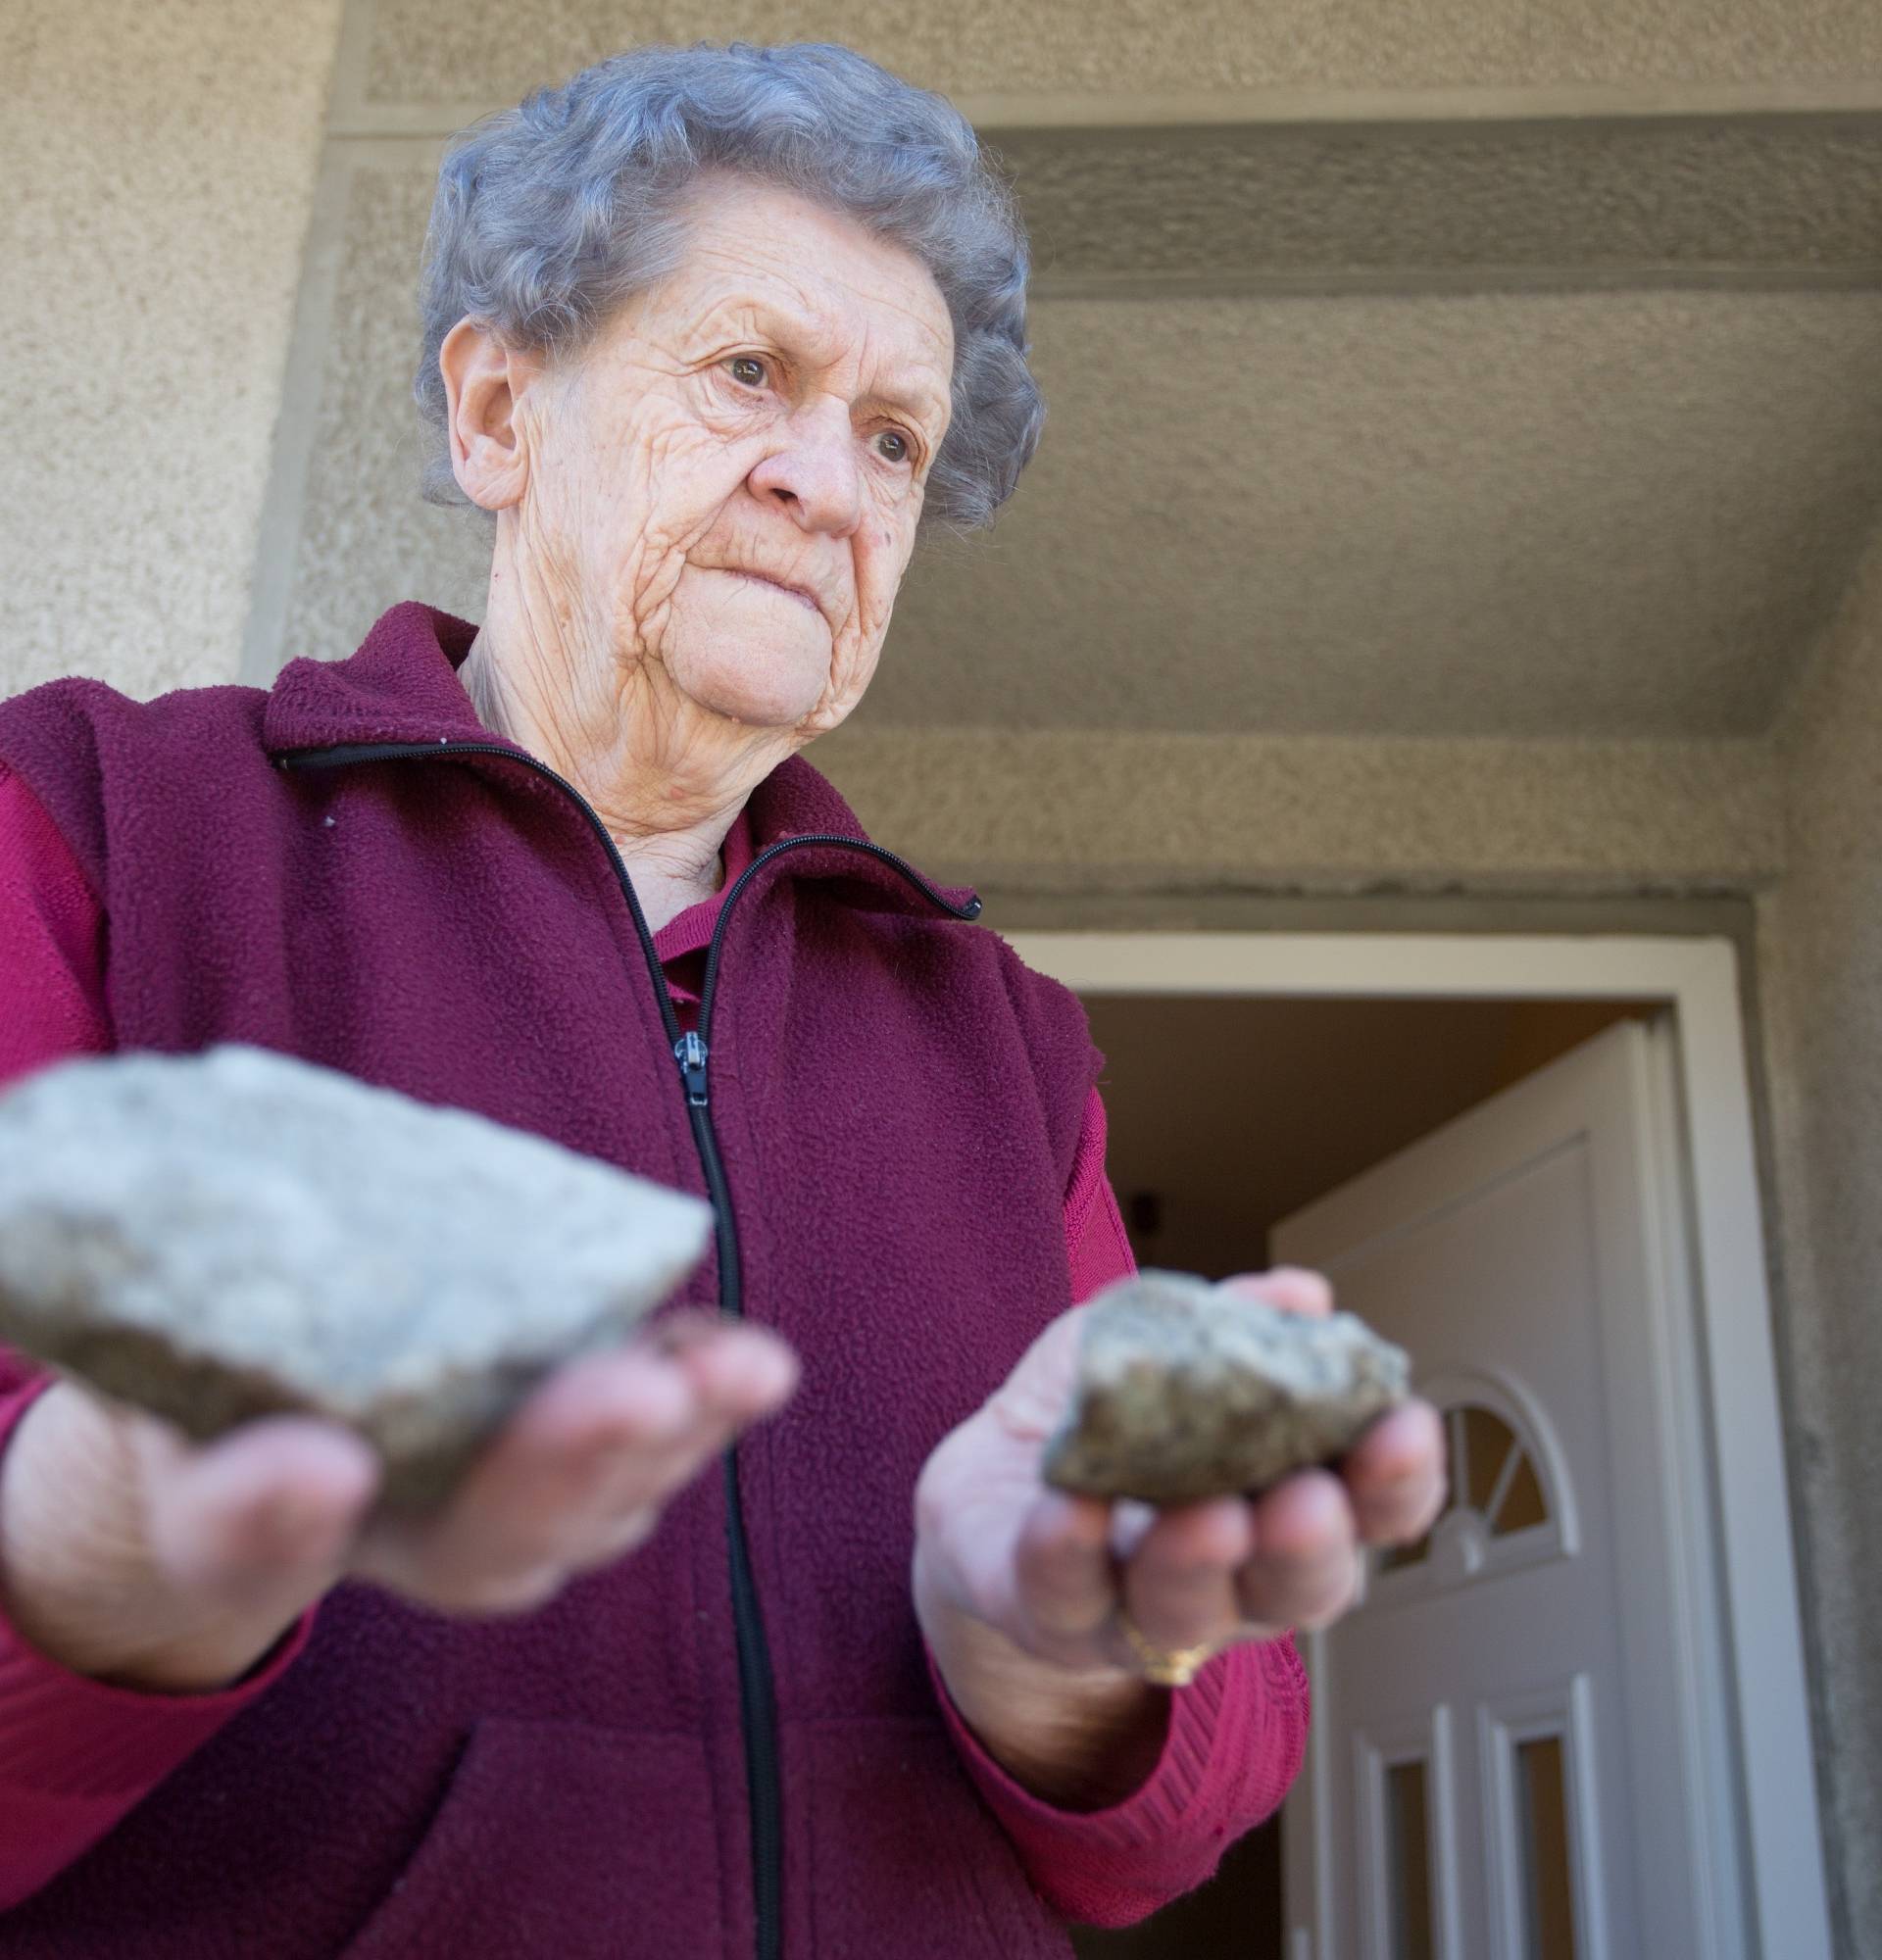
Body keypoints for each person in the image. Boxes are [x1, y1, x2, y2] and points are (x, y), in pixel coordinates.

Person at [0, 41, 1445, 1958]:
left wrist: (1050, 1658)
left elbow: (1177, 1806)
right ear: (500, 407)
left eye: (897, 441)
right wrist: (97, 1560)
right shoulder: (98, 817)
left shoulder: (1001, 1031)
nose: (825, 482)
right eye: (752, 371)